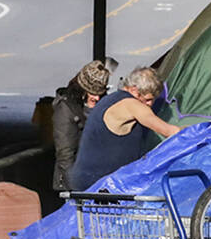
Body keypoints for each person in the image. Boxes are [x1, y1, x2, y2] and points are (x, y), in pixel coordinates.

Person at [68, 66, 180, 191]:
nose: (150, 104)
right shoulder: (131, 104)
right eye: (148, 99)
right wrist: (202, 130)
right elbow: (170, 131)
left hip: (84, 181)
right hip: (102, 186)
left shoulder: (108, 100)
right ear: (134, 90)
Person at [51, 59, 113, 192]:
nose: (96, 98)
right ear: (82, 89)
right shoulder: (65, 110)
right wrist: (78, 189)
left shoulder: (102, 106)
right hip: (74, 186)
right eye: (92, 93)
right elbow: (65, 155)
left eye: (100, 94)